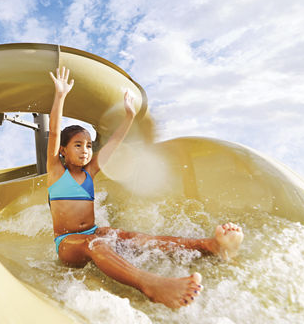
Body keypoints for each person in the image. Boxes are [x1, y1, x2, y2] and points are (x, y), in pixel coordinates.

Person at [47, 66, 244, 309]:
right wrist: (60, 96)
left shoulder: (90, 172)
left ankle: (208, 246)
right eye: (78, 145)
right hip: (68, 243)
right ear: (63, 150)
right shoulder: (56, 171)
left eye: (88, 145)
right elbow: (55, 130)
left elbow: (115, 142)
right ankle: (150, 284)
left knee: (129, 237)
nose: (85, 150)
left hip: (93, 231)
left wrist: (129, 116)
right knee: (94, 245)